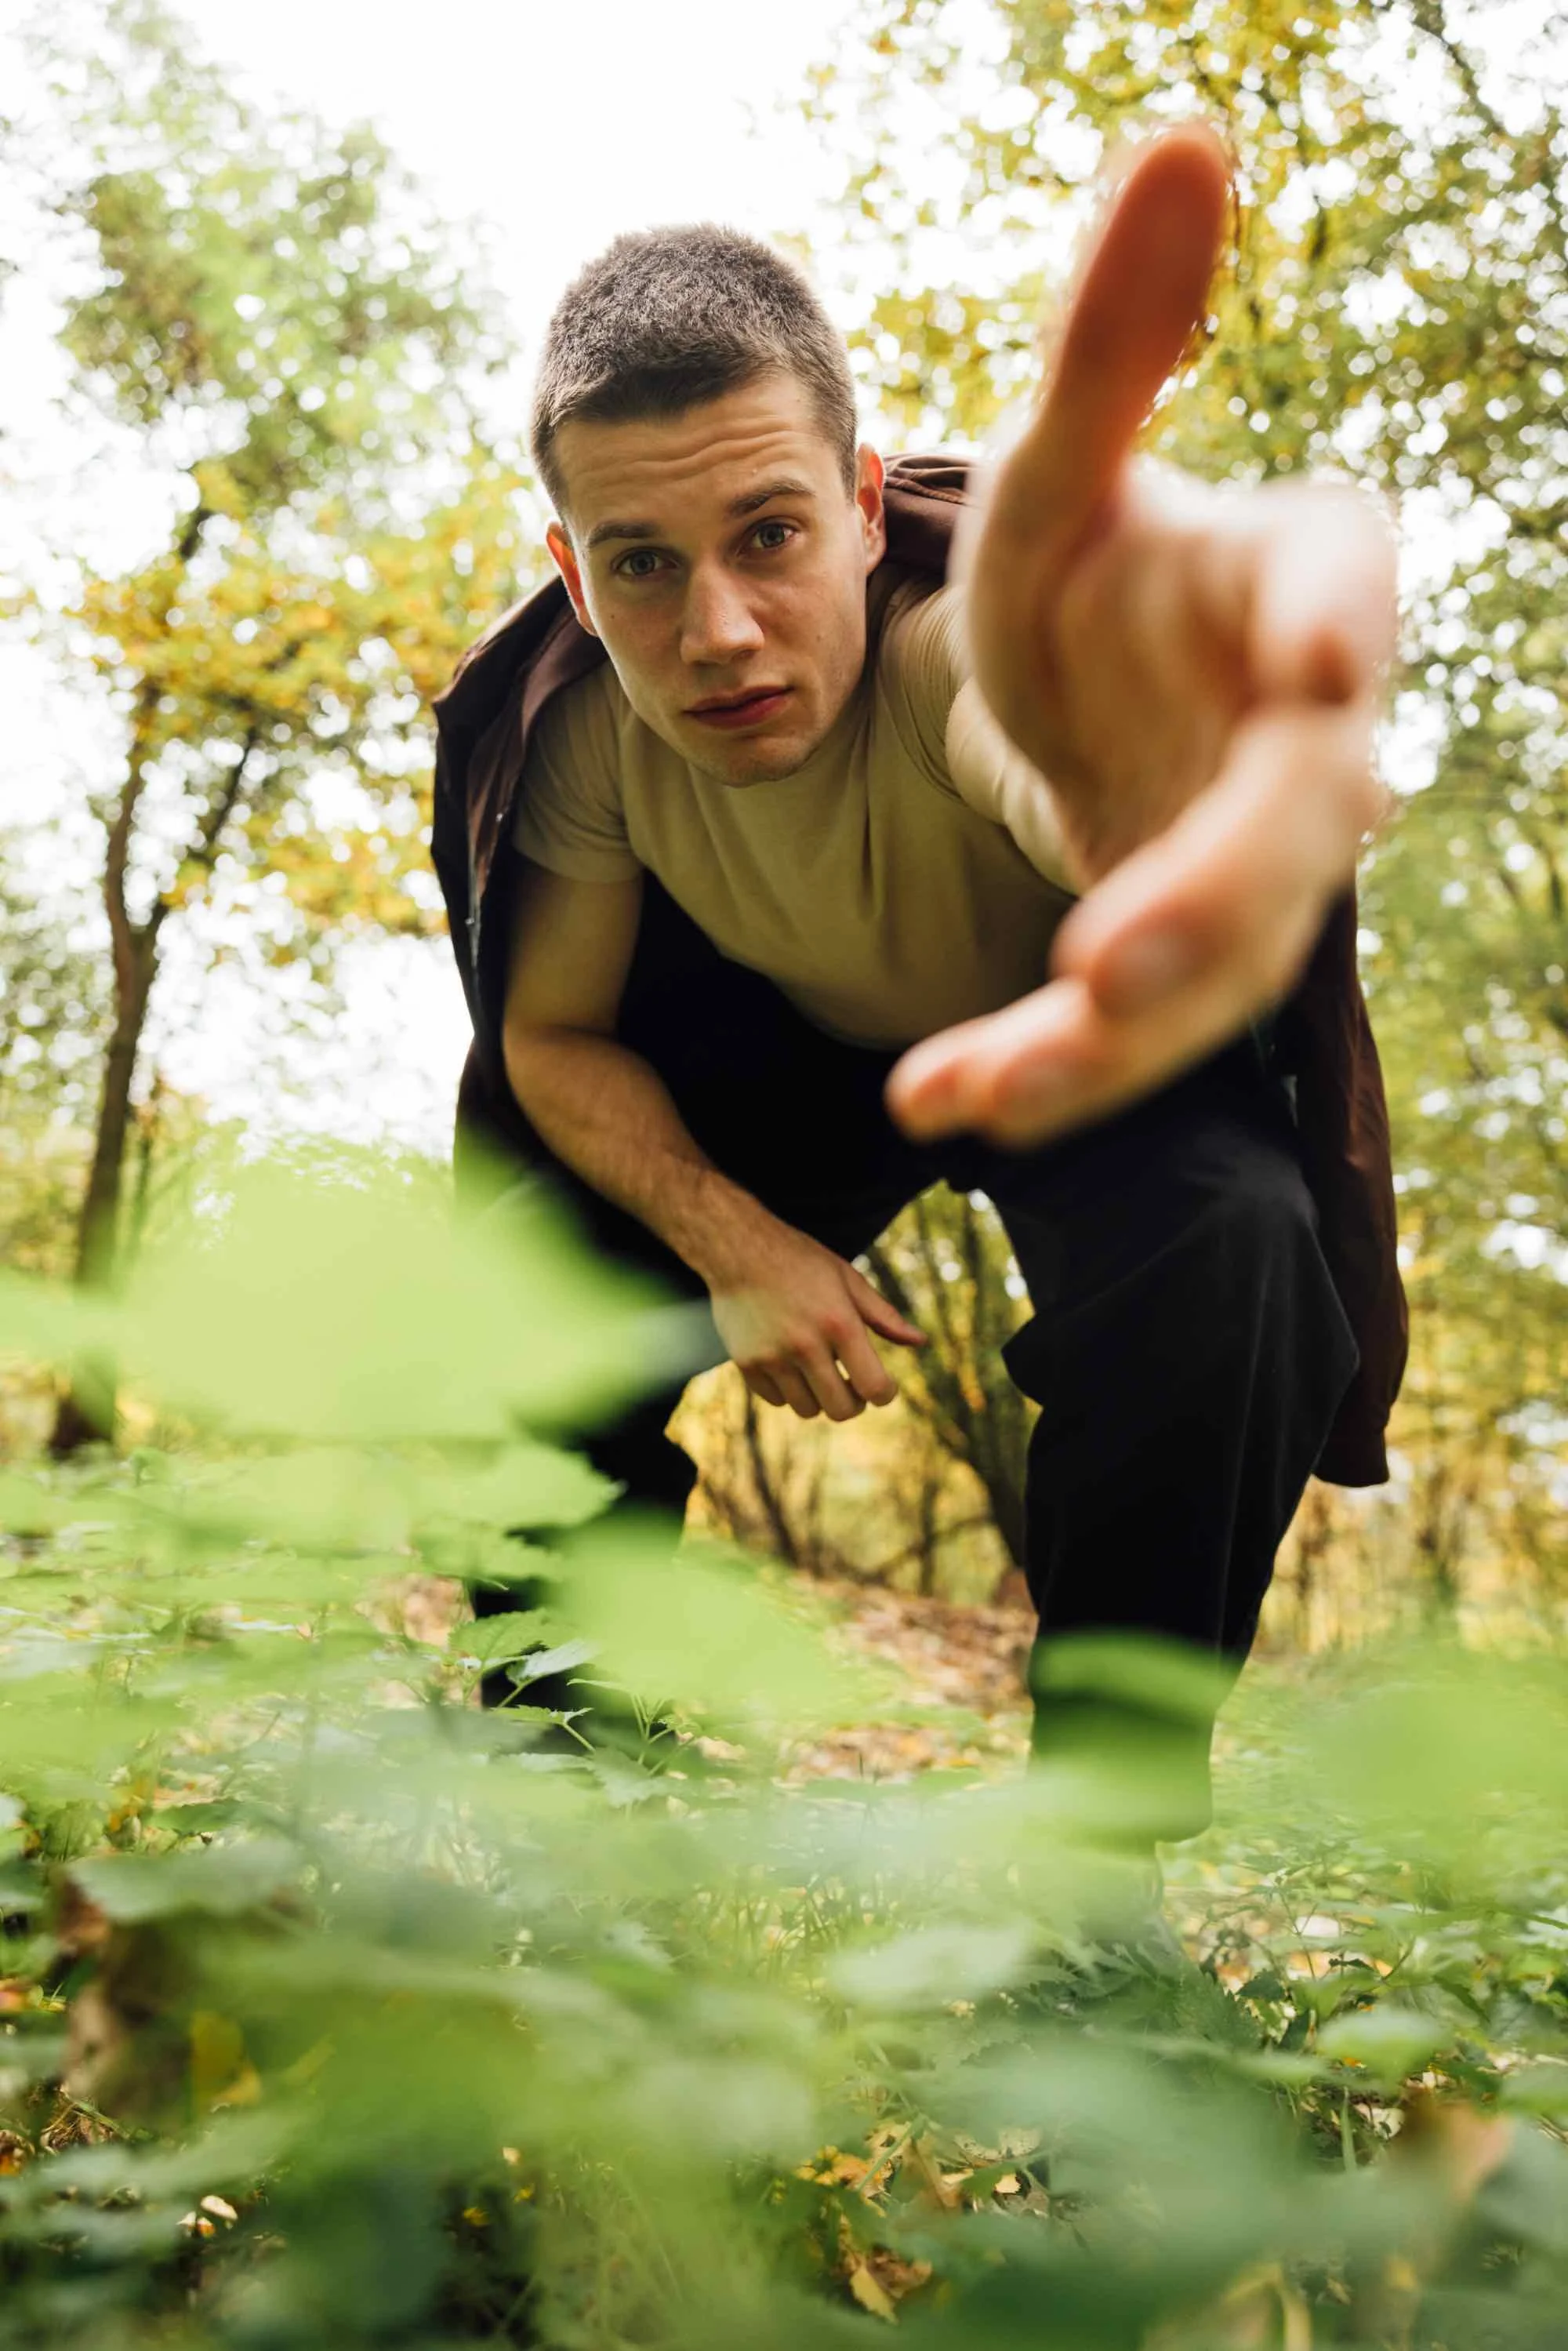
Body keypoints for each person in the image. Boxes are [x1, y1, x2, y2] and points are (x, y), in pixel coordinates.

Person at [430, 127, 1406, 1835]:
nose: (719, 632)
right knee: (528, 1276)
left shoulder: (963, 644)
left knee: (1237, 1249)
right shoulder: (579, 732)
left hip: (1071, 1039)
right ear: (572, 575)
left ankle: (1093, 1868)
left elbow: (1045, 758)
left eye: (771, 533)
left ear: (869, 508)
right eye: (641, 563)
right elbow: (553, 1037)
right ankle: (567, 1807)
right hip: (795, 1058)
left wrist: (1151, 788)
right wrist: (737, 1241)